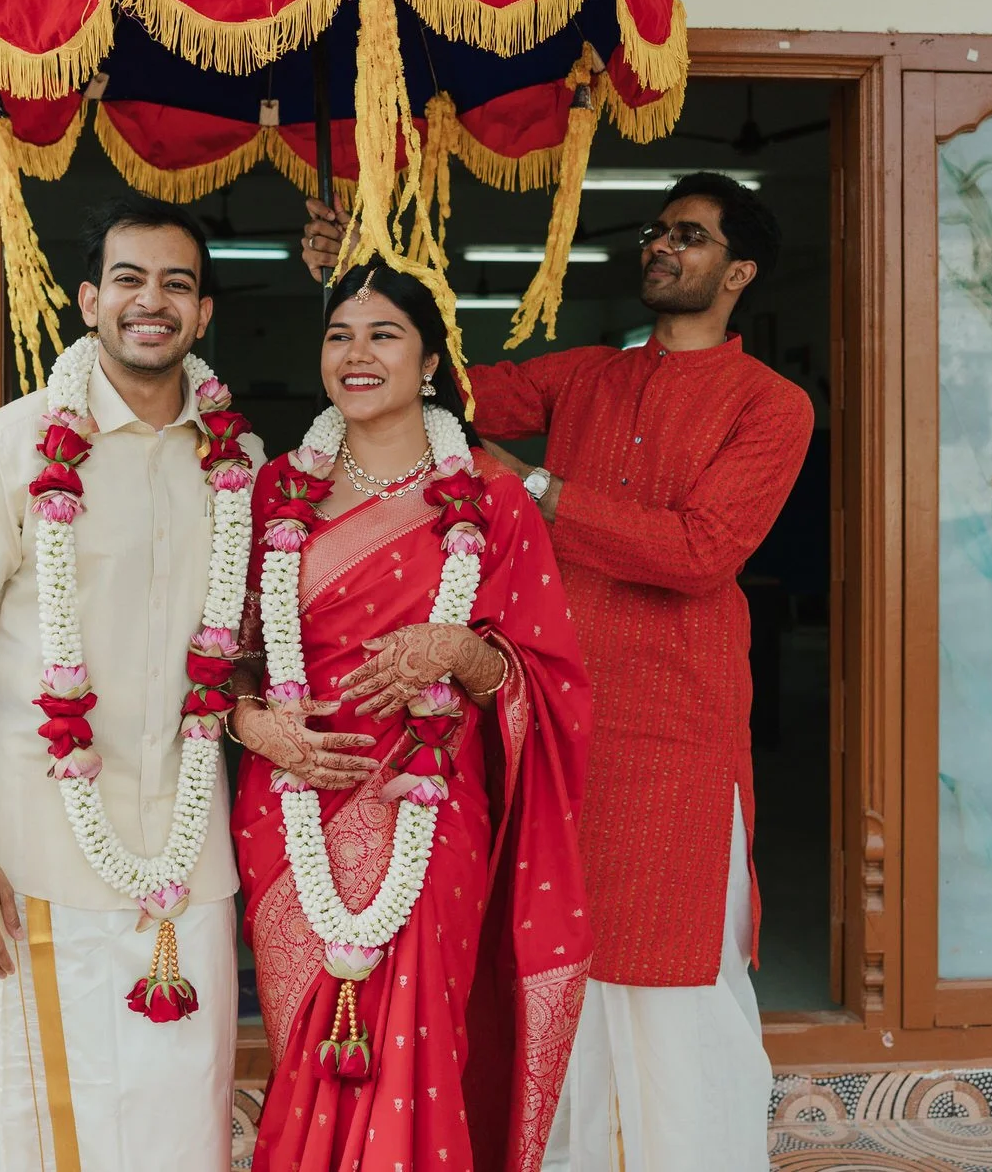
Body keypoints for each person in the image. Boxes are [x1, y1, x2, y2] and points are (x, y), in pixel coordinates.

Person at [302, 173, 814, 1170]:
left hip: (673, 732)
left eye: (690, 235)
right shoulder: (589, 376)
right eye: (658, 229)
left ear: (739, 272)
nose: (661, 244)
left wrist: (533, 484)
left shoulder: (771, 404)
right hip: (546, 717)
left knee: (671, 976)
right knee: (554, 961)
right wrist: (360, 273)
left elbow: (700, 551)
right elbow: (438, 379)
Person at [0, 197, 262, 1171]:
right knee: (28, 1132)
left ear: (203, 313)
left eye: (177, 284)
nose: (153, 301)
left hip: (185, 872)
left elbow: (239, 653)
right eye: (129, 279)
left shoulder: (237, 462)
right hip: (30, 865)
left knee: (180, 1134)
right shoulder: (9, 447)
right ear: (89, 299)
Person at [228, 261, 593, 1172]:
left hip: (432, 808)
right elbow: (224, 657)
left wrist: (461, 651)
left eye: (383, 335)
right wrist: (250, 726)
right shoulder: (273, 491)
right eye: (339, 336)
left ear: (430, 361)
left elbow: (546, 678)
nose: (357, 354)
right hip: (291, 801)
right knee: (305, 1047)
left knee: (418, 1046)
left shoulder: (493, 501)